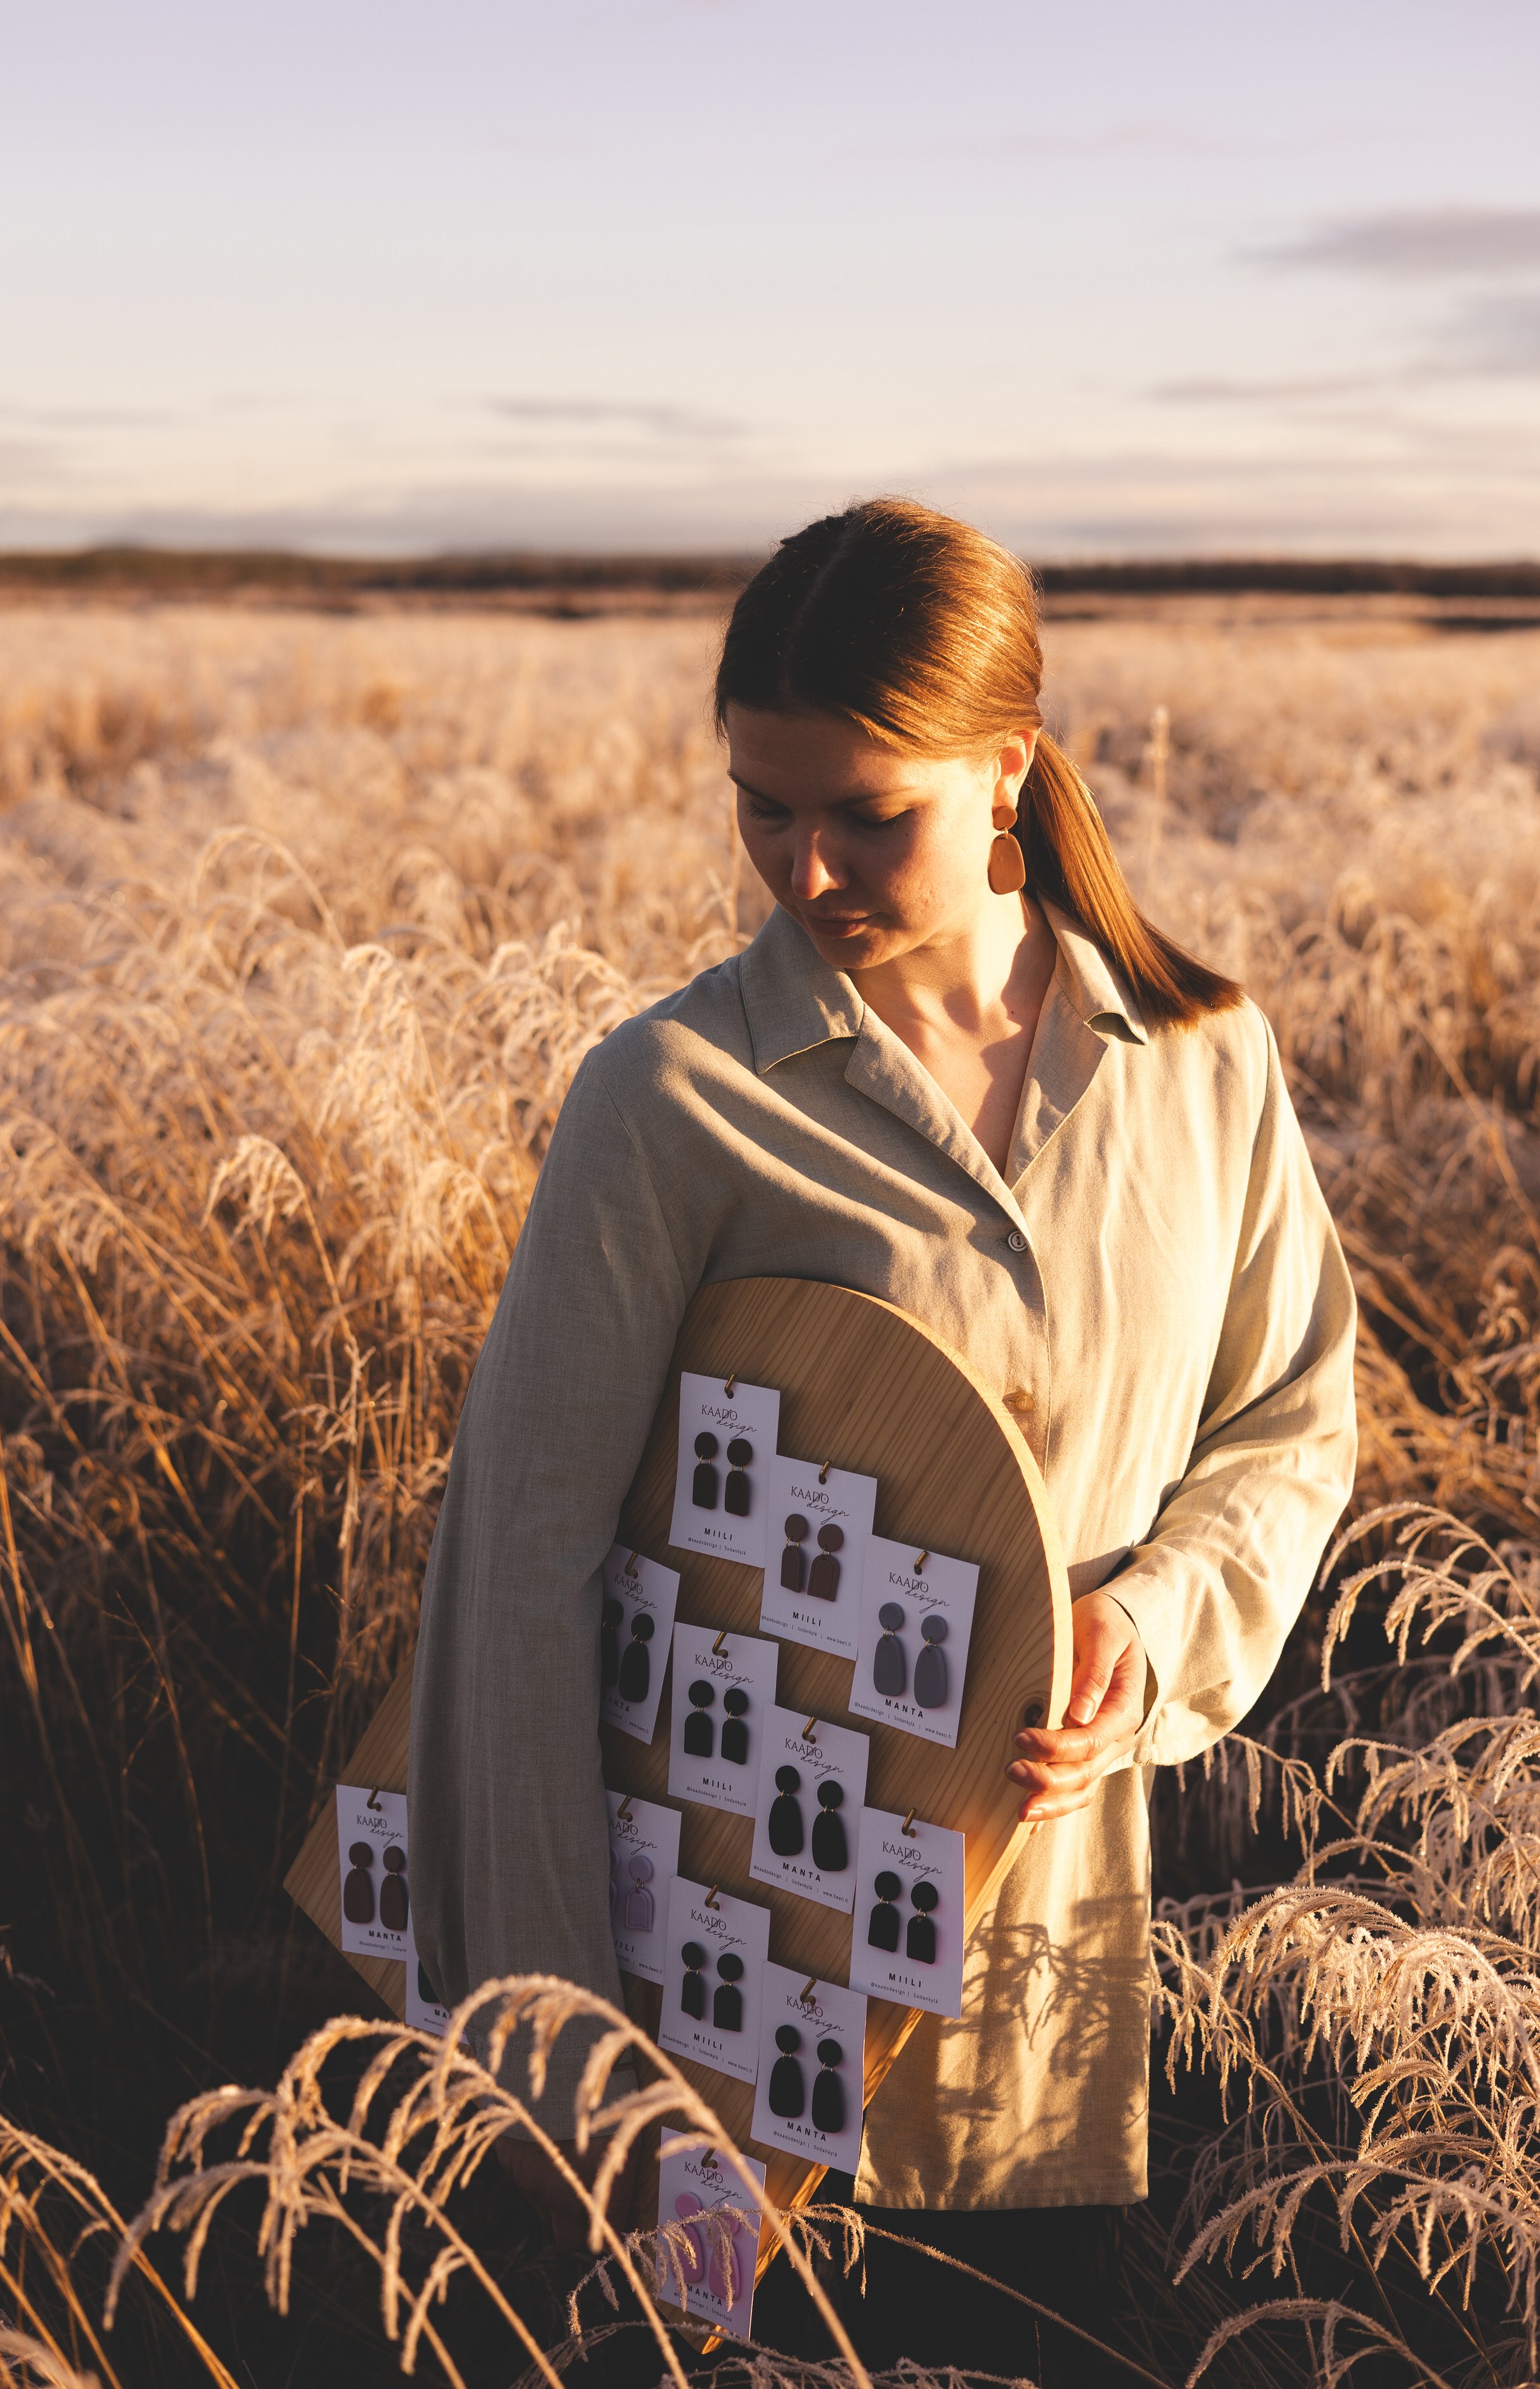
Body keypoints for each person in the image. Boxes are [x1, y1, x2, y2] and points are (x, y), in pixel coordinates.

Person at [408, 500, 1357, 2364]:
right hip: (721, 2012)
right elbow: (519, 1562)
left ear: (1005, 768)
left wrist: (1148, 1621)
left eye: (865, 814)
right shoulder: (671, 1097)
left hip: (1056, 1988)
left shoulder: (1202, 1061)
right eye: (762, 806)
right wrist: (566, 2062)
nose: (803, 866)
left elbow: (1289, 1428)